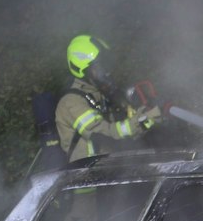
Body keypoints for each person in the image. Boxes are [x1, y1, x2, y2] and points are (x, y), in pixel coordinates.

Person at [55, 34, 160, 165]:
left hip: (112, 174)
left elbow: (127, 135)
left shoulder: (101, 96)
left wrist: (147, 114)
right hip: (88, 180)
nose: (106, 73)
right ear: (82, 69)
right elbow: (107, 135)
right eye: (99, 68)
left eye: (106, 66)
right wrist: (147, 119)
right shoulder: (71, 102)